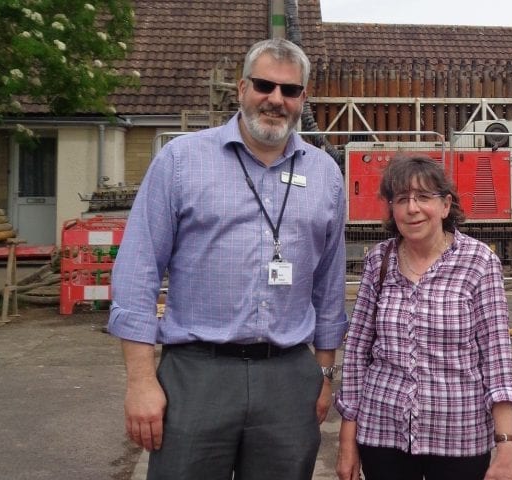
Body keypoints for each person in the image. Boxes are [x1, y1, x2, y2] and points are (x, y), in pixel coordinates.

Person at [107, 38, 348, 480]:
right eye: (264, 85)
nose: (275, 99)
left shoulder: (326, 174)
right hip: (198, 373)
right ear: (241, 88)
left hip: (288, 377)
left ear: (302, 99)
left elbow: (330, 285)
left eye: (289, 90)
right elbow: (137, 273)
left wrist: (324, 373)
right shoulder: (180, 160)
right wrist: (141, 381)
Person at [335, 155, 512, 480]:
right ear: (391, 209)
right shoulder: (379, 261)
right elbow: (356, 355)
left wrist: (506, 446)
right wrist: (347, 441)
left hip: (460, 437)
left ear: (446, 205)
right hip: (383, 434)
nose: (412, 209)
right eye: (402, 199)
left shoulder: (479, 263)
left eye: (423, 197)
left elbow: (497, 359)